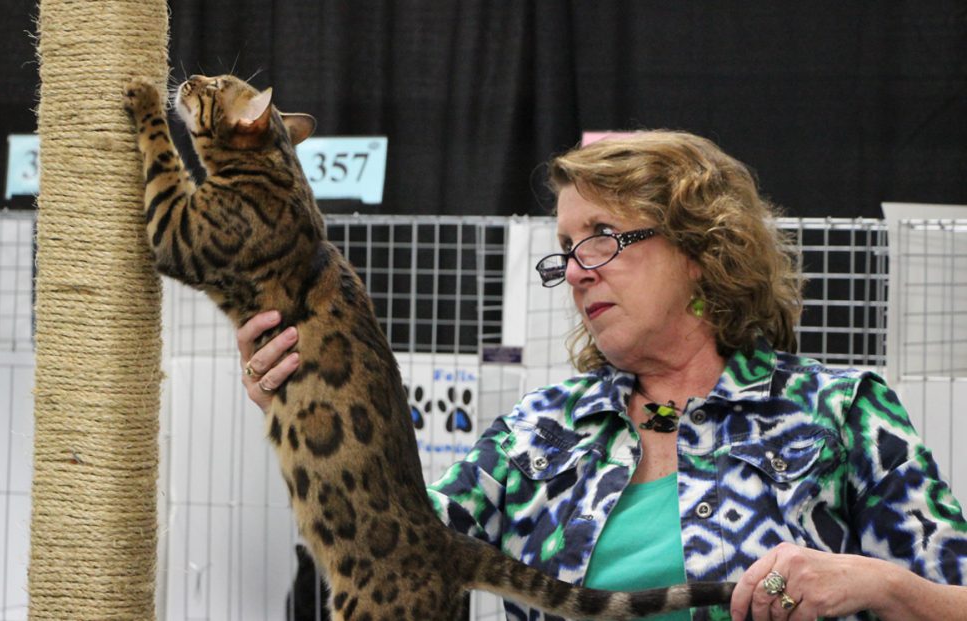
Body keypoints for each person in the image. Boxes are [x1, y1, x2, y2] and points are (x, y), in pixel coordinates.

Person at [237, 131, 967, 621]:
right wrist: (310, 406)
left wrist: (881, 583)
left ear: (700, 249)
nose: (576, 271)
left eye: (605, 238)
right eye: (565, 248)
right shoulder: (540, 428)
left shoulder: (840, 411)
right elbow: (394, 552)